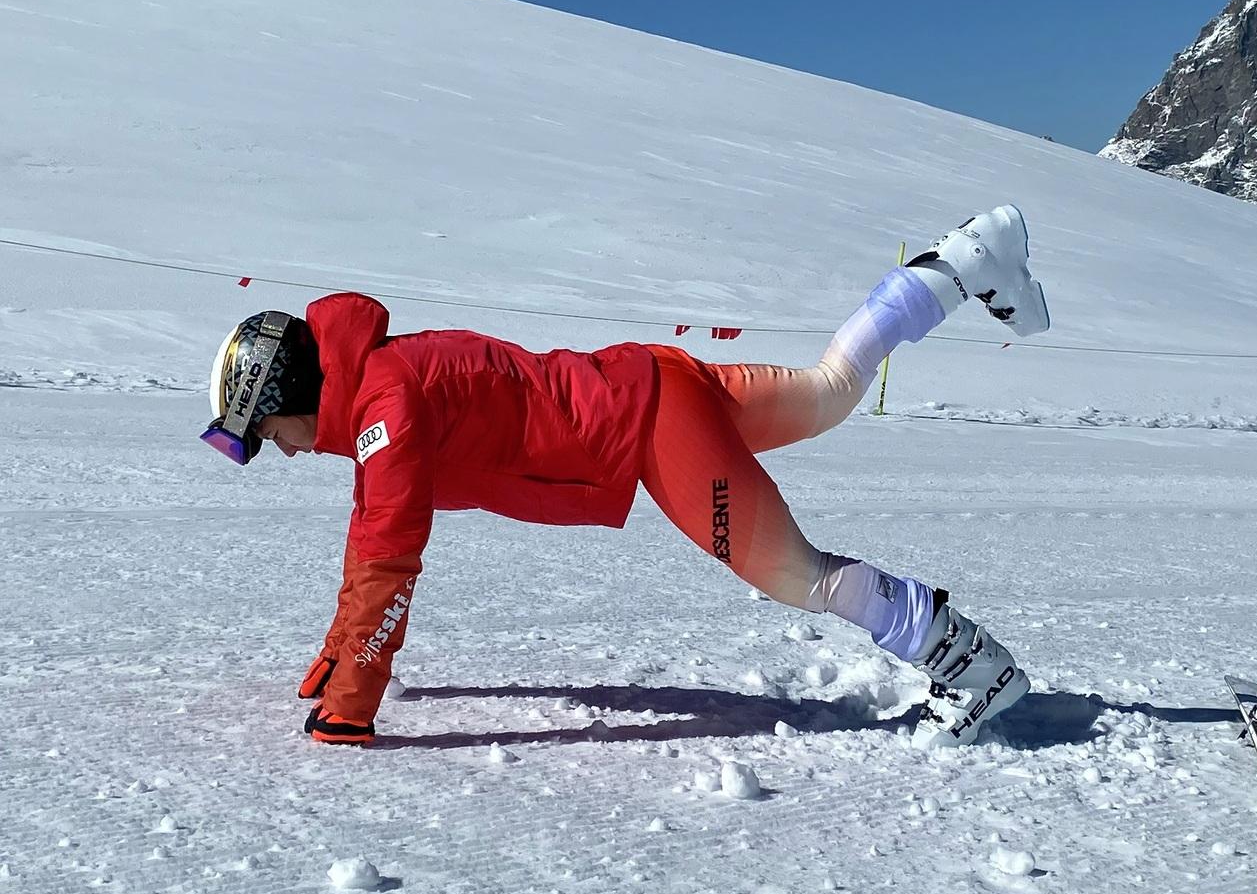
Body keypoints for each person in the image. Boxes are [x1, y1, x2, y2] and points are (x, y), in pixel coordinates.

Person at [201, 206, 1051, 750]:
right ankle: (964, 261)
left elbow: (387, 554)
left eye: (267, 430)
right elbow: (367, 537)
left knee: (801, 577)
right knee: (830, 389)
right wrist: (330, 659)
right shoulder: (382, 386)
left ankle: (974, 667)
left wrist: (351, 698)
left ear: (290, 391)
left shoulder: (385, 406)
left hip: (652, 430)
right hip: (650, 381)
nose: (277, 447)